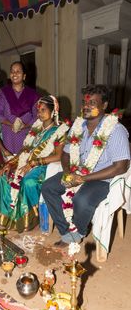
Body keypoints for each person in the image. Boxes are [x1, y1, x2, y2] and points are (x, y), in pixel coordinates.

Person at [42, 85, 130, 247]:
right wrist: (67, 172)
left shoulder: (116, 130)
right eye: (84, 103)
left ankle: (79, 232)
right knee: (48, 187)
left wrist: (83, 178)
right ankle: (67, 231)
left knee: (81, 200)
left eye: (92, 103)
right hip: (76, 171)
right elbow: (66, 153)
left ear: (104, 106)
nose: (86, 107)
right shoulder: (78, 126)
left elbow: (121, 167)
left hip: (102, 178)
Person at [0, 95, 69, 232]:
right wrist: (11, 163)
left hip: (45, 166)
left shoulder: (60, 130)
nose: (39, 113)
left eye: (44, 110)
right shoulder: (36, 128)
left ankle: (28, 220)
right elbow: (25, 149)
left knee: (28, 181)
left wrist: (35, 162)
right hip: (27, 161)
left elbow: (58, 156)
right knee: (4, 175)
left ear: (53, 112)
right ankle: (8, 217)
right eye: (38, 110)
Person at [0, 61, 39, 154]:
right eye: (12, 71)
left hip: (26, 134)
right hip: (8, 134)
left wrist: (25, 126)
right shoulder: (4, 92)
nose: (14, 74)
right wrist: (11, 124)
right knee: (10, 163)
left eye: (18, 71)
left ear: (24, 76)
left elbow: (37, 116)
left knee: (24, 161)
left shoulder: (33, 94)